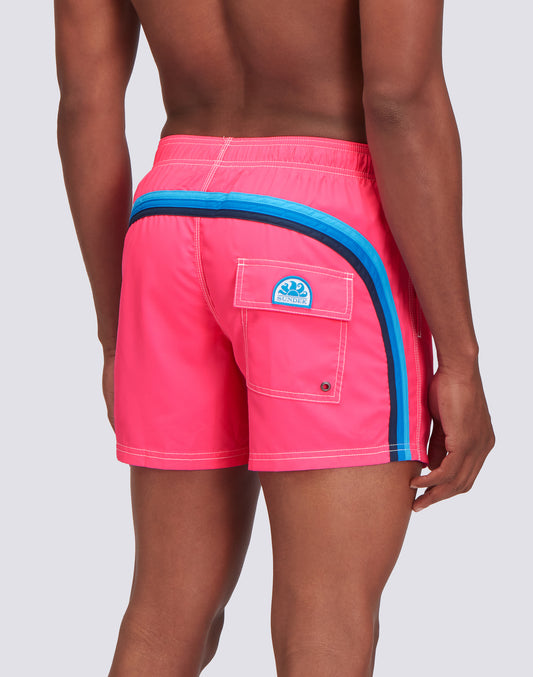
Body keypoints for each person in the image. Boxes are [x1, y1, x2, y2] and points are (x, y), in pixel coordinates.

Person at [54, 0, 495, 675]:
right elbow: (398, 99)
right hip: (320, 231)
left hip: (168, 218)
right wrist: (459, 356)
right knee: (327, 619)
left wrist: (116, 338)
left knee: (164, 614)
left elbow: (85, 105)